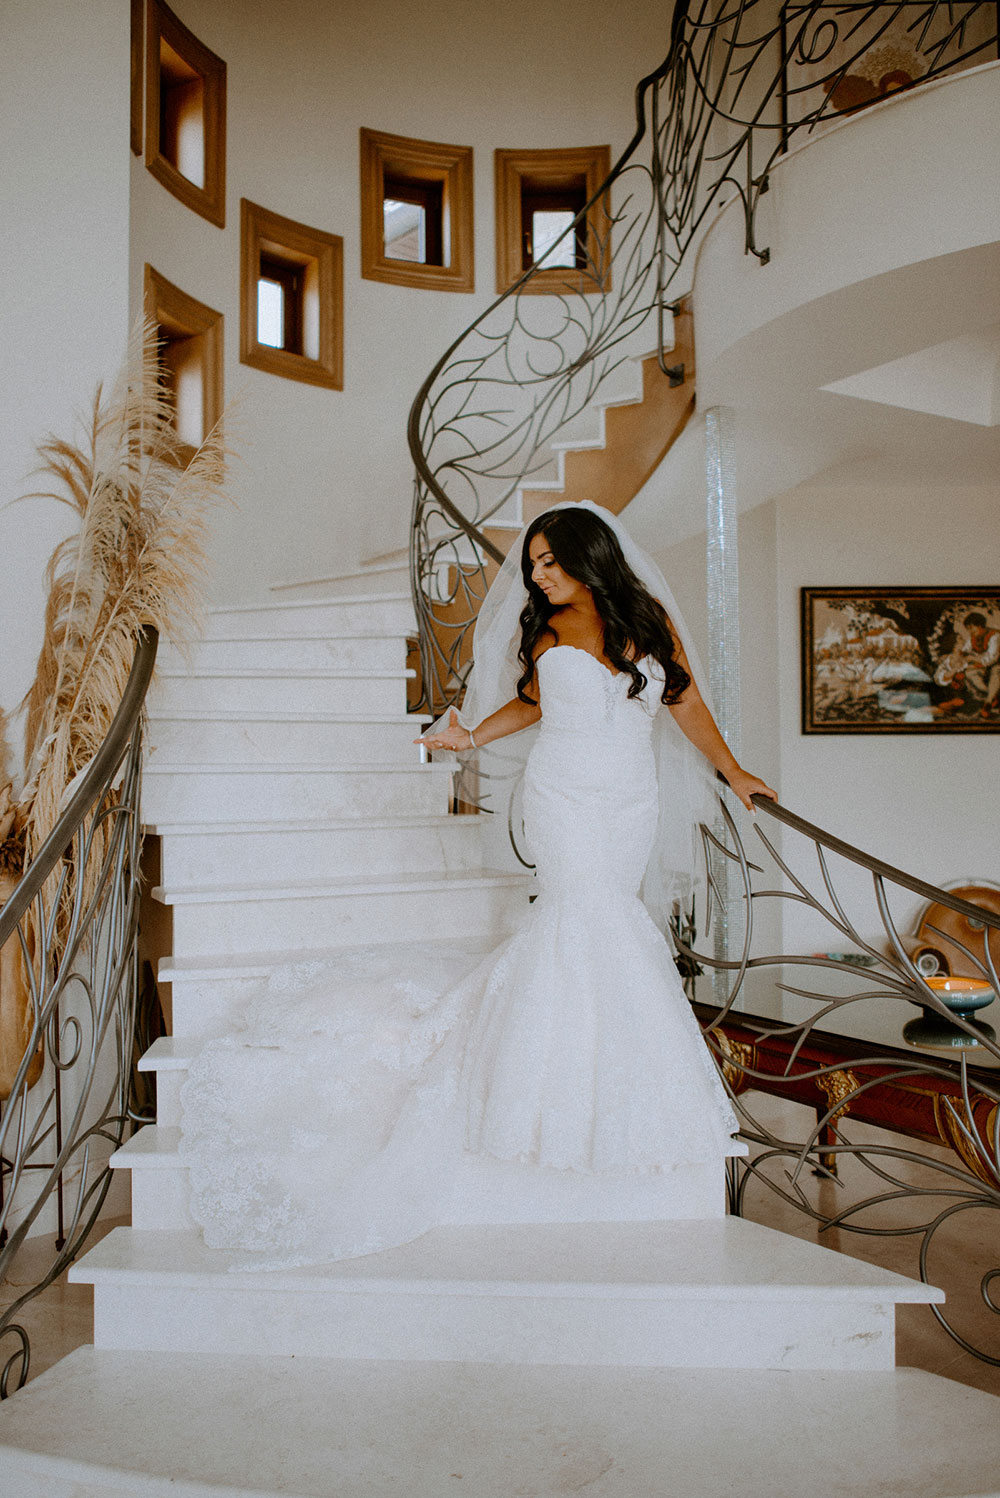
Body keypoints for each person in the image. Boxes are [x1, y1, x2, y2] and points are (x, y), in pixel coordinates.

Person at [180, 502, 775, 1266]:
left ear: (588, 558)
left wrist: (732, 770)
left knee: (611, 919)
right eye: (532, 566)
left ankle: (611, 1093)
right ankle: (549, 1099)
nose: (539, 576)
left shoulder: (645, 618)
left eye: (550, 563)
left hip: (629, 802)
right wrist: (468, 734)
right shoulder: (548, 629)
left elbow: (684, 700)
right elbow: (531, 703)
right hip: (563, 796)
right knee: (578, 915)